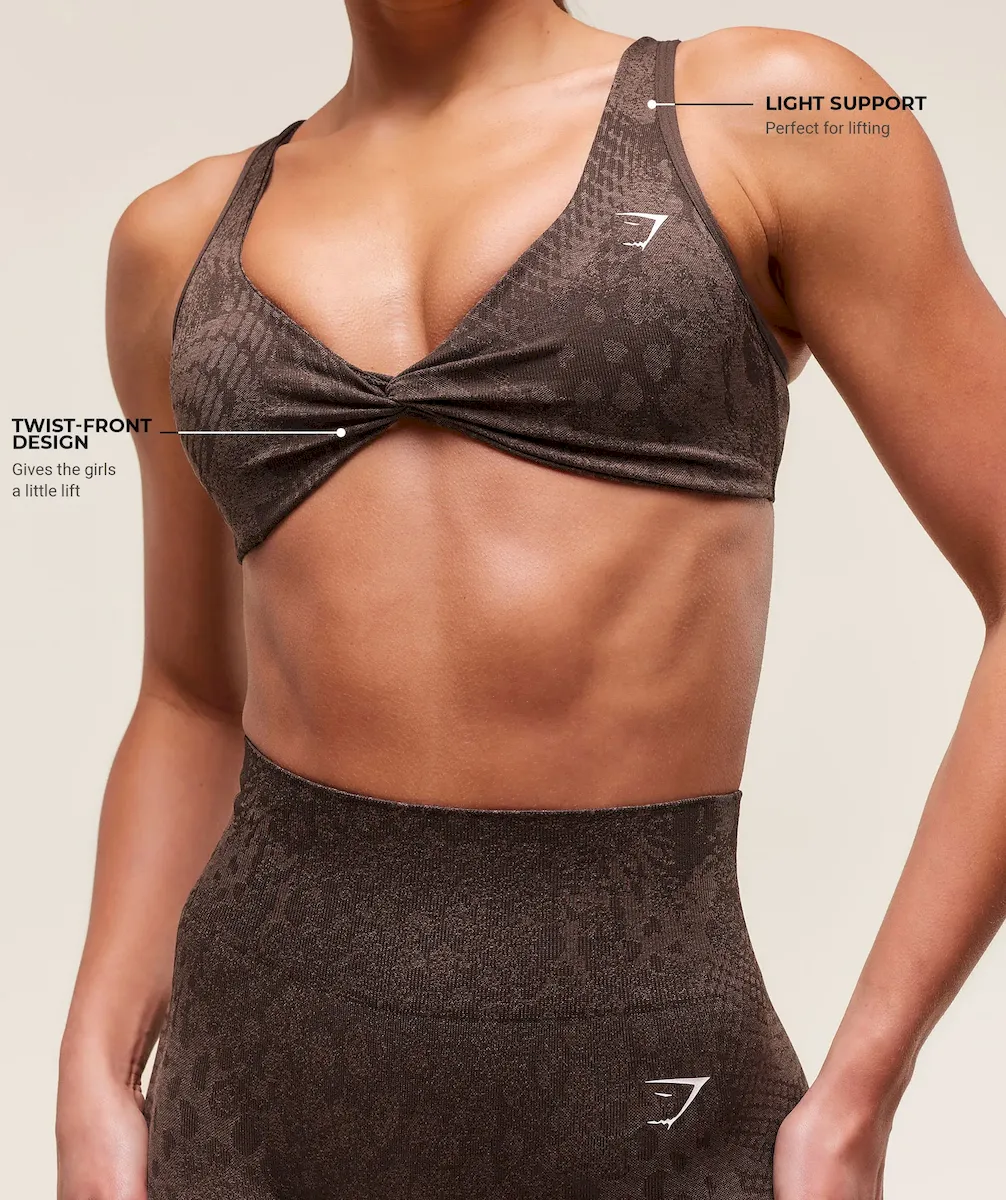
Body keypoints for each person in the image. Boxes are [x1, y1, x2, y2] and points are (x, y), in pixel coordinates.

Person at [55, 2, 1006, 1198]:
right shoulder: (174, 242)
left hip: (653, 1107)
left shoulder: (766, 116)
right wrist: (92, 1065)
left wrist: (860, 1096)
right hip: (240, 1111)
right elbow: (189, 696)